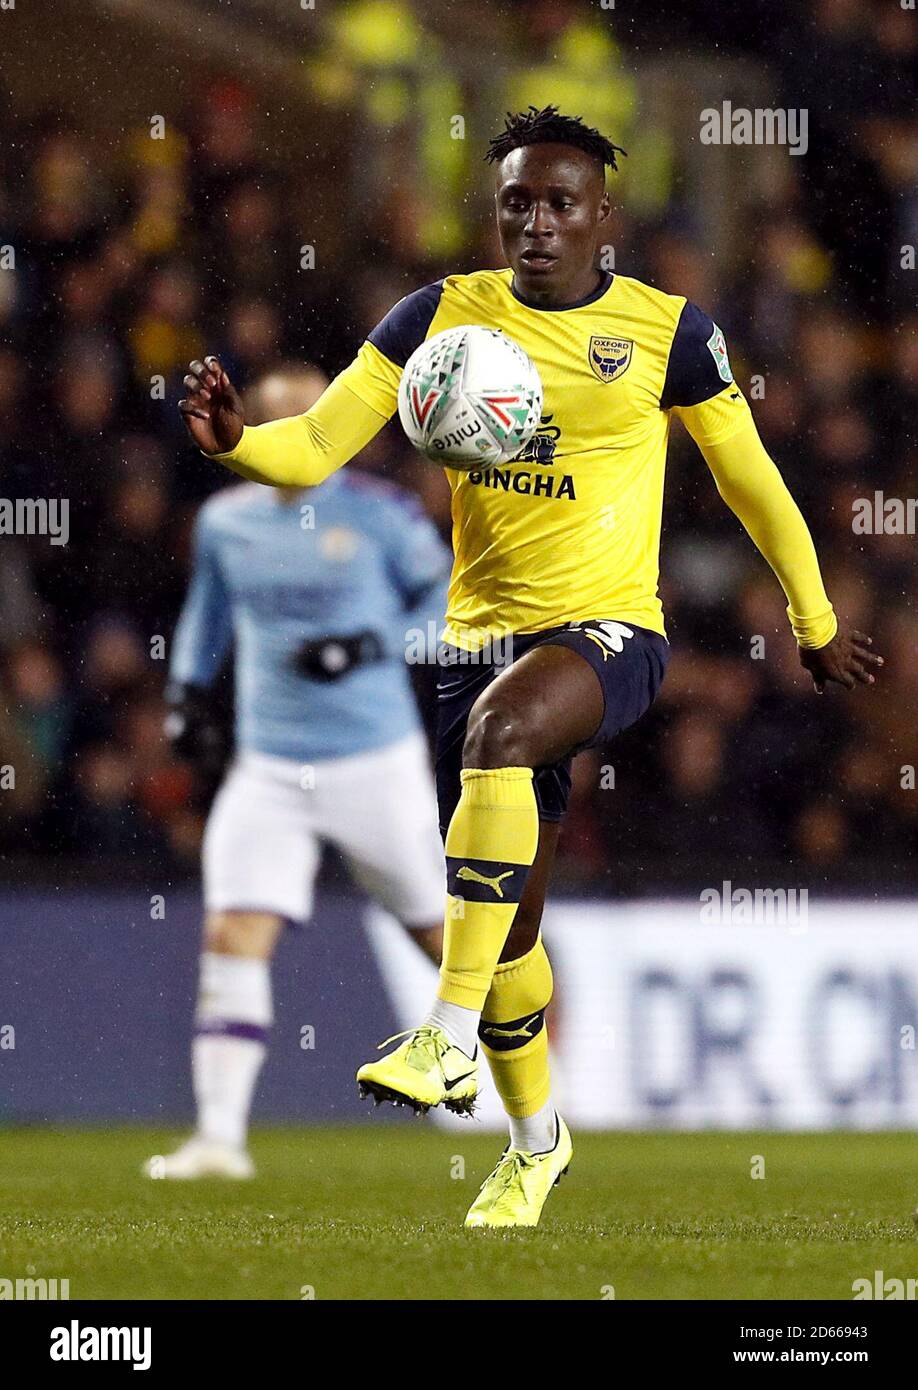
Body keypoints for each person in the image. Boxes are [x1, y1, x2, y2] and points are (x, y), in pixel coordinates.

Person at [178, 107, 882, 1222]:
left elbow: (753, 481)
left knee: (503, 737)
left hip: (611, 635)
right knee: (510, 936)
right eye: (517, 203)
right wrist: (235, 445)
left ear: (604, 215)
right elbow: (314, 445)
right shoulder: (440, 318)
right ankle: (537, 1141)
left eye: (560, 203)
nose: (537, 223)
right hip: (481, 644)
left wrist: (813, 617)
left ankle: (441, 1037)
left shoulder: (670, 334)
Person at [150, 365, 450, 1180]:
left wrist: (372, 643)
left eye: (310, 420)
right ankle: (219, 1140)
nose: (296, 436)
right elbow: (206, 617)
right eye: (277, 419)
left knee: (443, 939)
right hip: (270, 765)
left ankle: (537, 1099)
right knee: (233, 933)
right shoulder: (224, 521)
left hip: (373, 763)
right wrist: (183, 692)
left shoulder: (383, 515)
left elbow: (450, 604)